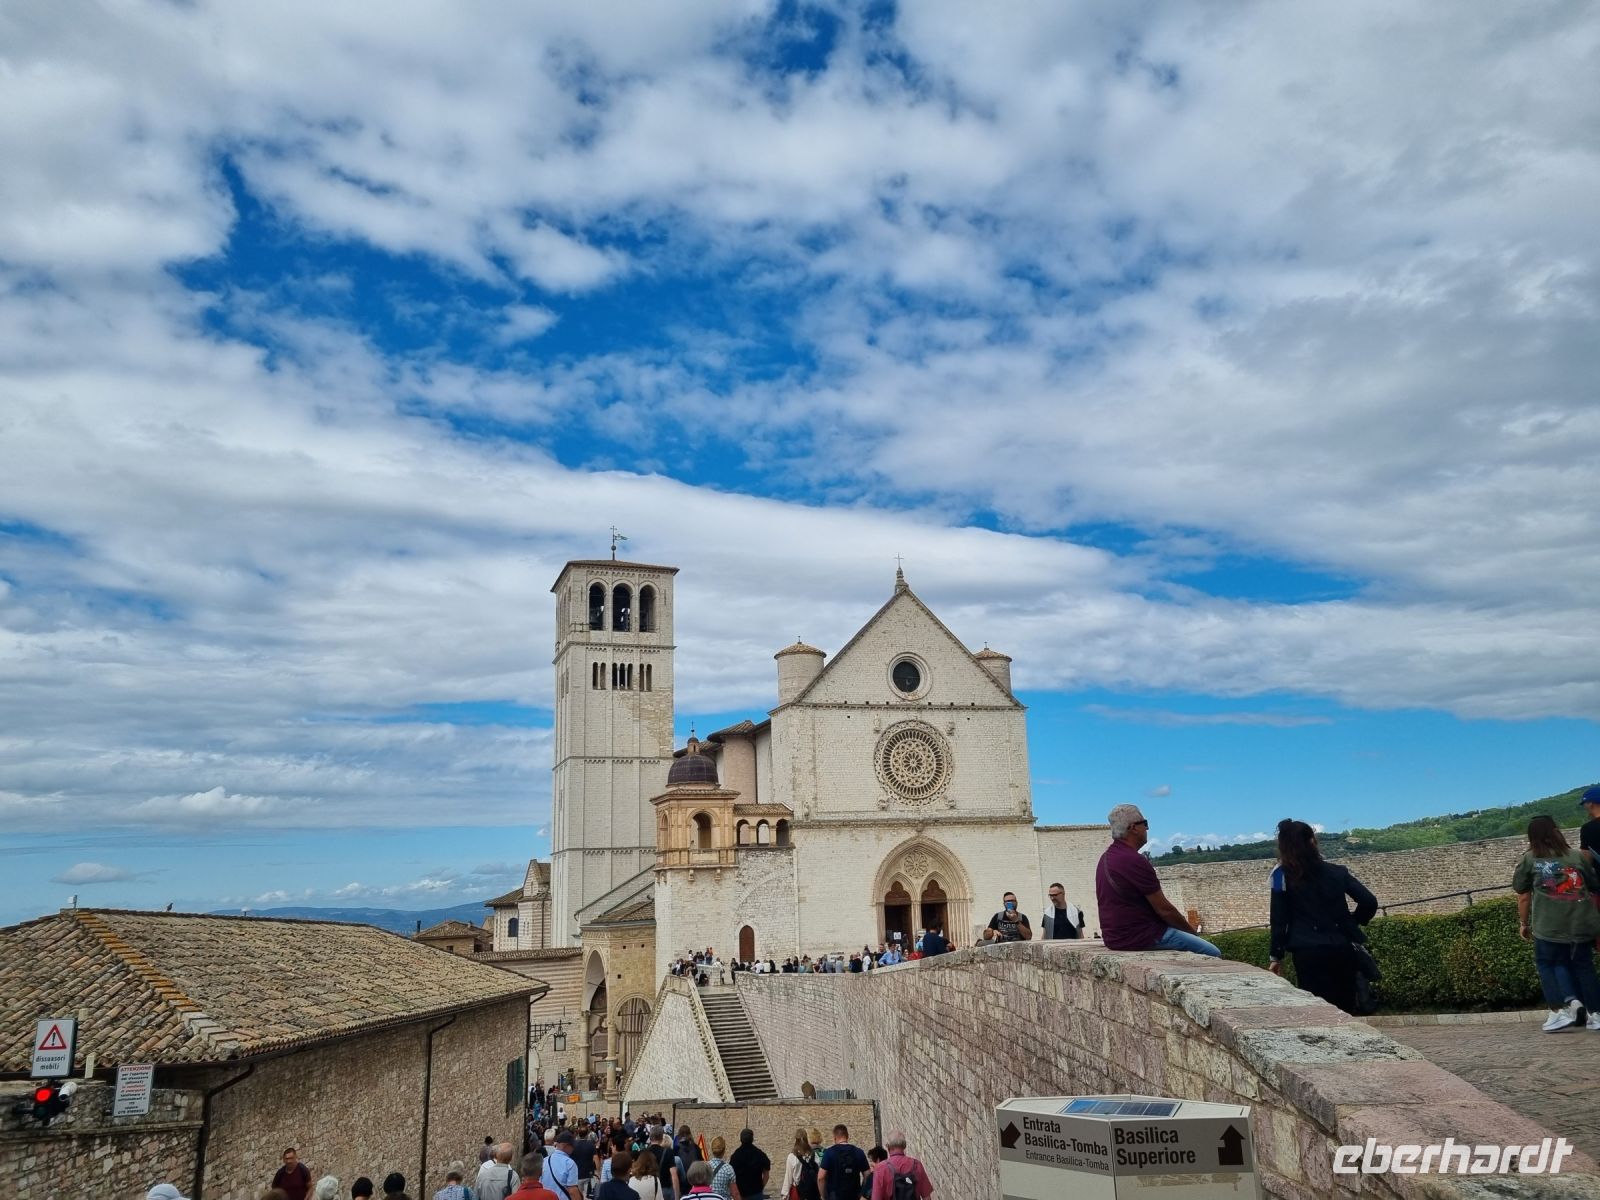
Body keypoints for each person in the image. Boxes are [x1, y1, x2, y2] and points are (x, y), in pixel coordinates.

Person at [1267, 819, 1378, 1013]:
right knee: (1345, 1008)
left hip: (1306, 951)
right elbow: (1369, 901)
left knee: (1318, 1010)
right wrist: (1351, 923)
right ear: (1312, 841)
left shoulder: (1279, 876)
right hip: (1341, 946)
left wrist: (1276, 956)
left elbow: (1278, 919)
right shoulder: (1337, 872)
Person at [1095, 804, 1219, 955]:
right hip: (1140, 936)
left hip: (1115, 938)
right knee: (1212, 952)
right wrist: (1193, 934)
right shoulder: (1132, 860)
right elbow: (1165, 910)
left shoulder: (1106, 857)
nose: (1147, 828)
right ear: (1133, 828)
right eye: (1145, 823)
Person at [1514, 814, 1600, 1032]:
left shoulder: (1530, 859)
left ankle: (1559, 1011)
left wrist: (1524, 923)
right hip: (1582, 922)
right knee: (1584, 967)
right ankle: (1596, 1014)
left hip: (1549, 925)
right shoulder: (1576, 856)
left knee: (1548, 963)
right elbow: (1593, 884)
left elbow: (1522, 893)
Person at [869, 1132, 930, 1200]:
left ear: (888, 1147)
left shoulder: (880, 1168)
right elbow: (927, 1197)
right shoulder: (917, 1165)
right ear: (904, 1146)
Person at [817, 1125, 868, 1200]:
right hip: (854, 1195)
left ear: (834, 1137)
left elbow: (821, 1178)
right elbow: (867, 1174)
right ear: (847, 1136)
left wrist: (824, 1196)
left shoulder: (829, 1153)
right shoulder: (859, 1152)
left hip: (834, 1196)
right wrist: (863, 1193)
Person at [729, 1128, 771, 1200]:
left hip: (741, 1195)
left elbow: (731, 1178)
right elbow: (766, 1175)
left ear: (741, 1139)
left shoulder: (735, 1156)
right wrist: (760, 1187)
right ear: (752, 1139)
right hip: (756, 1193)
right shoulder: (760, 1154)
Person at [542, 1131, 582, 1200]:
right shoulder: (569, 1163)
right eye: (572, 1146)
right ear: (565, 1146)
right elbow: (572, 1191)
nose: (573, 1148)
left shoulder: (544, 1161)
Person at [780, 1128, 817, 1200]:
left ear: (796, 1139)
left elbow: (788, 1177)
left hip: (797, 1191)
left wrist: (784, 1194)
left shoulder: (792, 1156)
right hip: (811, 1191)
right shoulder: (812, 1154)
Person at [1578, 786, 1600, 865]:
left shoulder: (1588, 828)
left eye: (1584, 803)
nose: (1584, 807)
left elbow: (1586, 858)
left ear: (1590, 804)